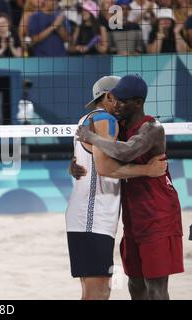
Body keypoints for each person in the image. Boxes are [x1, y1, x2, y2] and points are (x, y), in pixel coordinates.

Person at [77, 74, 184, 300]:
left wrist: (92, 137)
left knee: (156, 287)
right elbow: (104, 155)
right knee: (135, 284)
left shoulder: (152, 128)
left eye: (122, 101)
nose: (115, 105)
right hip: (134, 217)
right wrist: (75, 164)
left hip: (159, 216)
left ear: (137, 102)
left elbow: (126, 151)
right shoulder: (120, 125)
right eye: (114, 99)